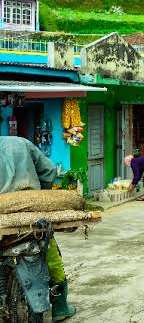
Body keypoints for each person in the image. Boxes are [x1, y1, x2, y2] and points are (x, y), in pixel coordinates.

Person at [0, 136, 76, 321]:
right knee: (49, 250)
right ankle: (60, 306)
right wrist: (39, 198)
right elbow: (48, 170)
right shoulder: (19, 142)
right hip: (30, 214)